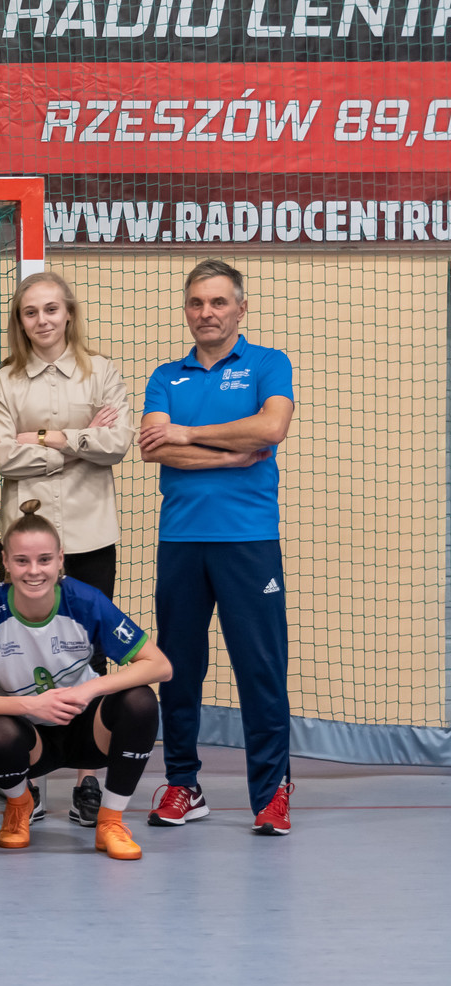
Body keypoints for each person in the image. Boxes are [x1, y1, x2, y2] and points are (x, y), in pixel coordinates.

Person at [138, 259, 295, 835]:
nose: (206, 312)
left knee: (260, 668)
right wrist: (231, 455)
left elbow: (270, 428)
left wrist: (188, 433)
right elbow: (154, 447)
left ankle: (272, 794)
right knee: (178, 670)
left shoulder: (269, 363)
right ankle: (183, 784)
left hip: (250, 541)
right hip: (181, 540)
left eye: (218, 302)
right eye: (196, 303)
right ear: (187, 310)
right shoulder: (166, 376)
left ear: (240, 308)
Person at [0, 272, 134, 827]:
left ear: (69, 312)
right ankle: (28, 779)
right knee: (16, 651)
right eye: (31, 312)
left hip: (90, 535)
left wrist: (42, 438)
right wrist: (79, 441)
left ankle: (87, 778)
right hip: (24, 539)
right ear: (19, 321)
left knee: (90, 651)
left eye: (51, 309)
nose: (42, 320)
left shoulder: (103, 373)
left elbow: (117, 443)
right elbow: (2, 457)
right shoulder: (4, 380)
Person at [0, 502, 173, 860]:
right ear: (5, 561)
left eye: (44, 559)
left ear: (60, 559)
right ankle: (19, 805)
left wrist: (89, 689)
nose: (34, 571)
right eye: (22, 561)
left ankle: (110, 821)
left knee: (140, 701)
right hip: (28, 738)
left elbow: (160, 666)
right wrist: (31, 704)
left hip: (86, 731)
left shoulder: (85, 601)